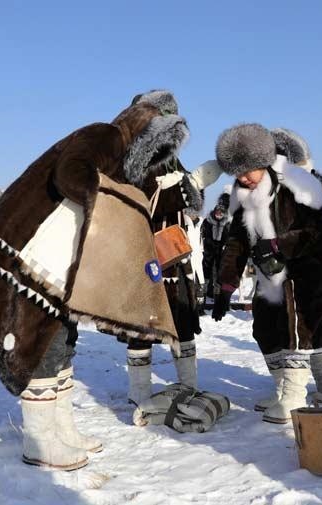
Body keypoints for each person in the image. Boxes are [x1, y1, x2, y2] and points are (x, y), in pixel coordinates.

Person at [0, 100, 189, 470]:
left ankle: (63, 431)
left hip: (56, 265)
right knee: (41, 343)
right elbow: (71, 173)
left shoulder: (120, 160)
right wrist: (112, 206)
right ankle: (40, 441)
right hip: (32, 253)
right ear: (144, 135)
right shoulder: (105, 135)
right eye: (153, 150)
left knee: (63, 342)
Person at [211, 123, 322, 424]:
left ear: (263, 161)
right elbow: (236, 243)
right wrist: (226, 287)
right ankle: (283, 388)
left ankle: (295, 396)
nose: (242, 178)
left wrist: (276, 244)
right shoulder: (242, 197)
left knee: (298, 329)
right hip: (273, 272)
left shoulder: (299, 185)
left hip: (313, 267)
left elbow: (318, 232)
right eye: (237, 173)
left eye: (247, 170)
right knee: (265, 329)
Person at [123, 90, 224, 405]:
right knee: (142, 327)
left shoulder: (169, 158)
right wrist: (190, 185)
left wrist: (190, 188)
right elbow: (141, 198)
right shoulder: (134, 156)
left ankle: (188, 386)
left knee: (182, 324)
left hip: (174, 255)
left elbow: (185, 206)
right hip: (145, 256)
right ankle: (140, 393)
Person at [270, 127, 322, 400]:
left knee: (316, 324)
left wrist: (276, 243)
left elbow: (317, 228)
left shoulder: (310, 185)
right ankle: (288, 385)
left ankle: (319, 381)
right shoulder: (270, 188)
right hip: (286, 265)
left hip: (318, 263)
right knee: (282, 326)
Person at [200, 192, 231, 302]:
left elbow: (228, 237)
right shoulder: (207, 221)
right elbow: (202, 234)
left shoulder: (226, 223)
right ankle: (204, 294)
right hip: (208, 250)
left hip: (220, 251)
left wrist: (225, 247)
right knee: (206, 271)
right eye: (217, 212)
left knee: (219, 272)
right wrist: (205, 245)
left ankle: (217, 295)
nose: (219, 214)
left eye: (221, 212)